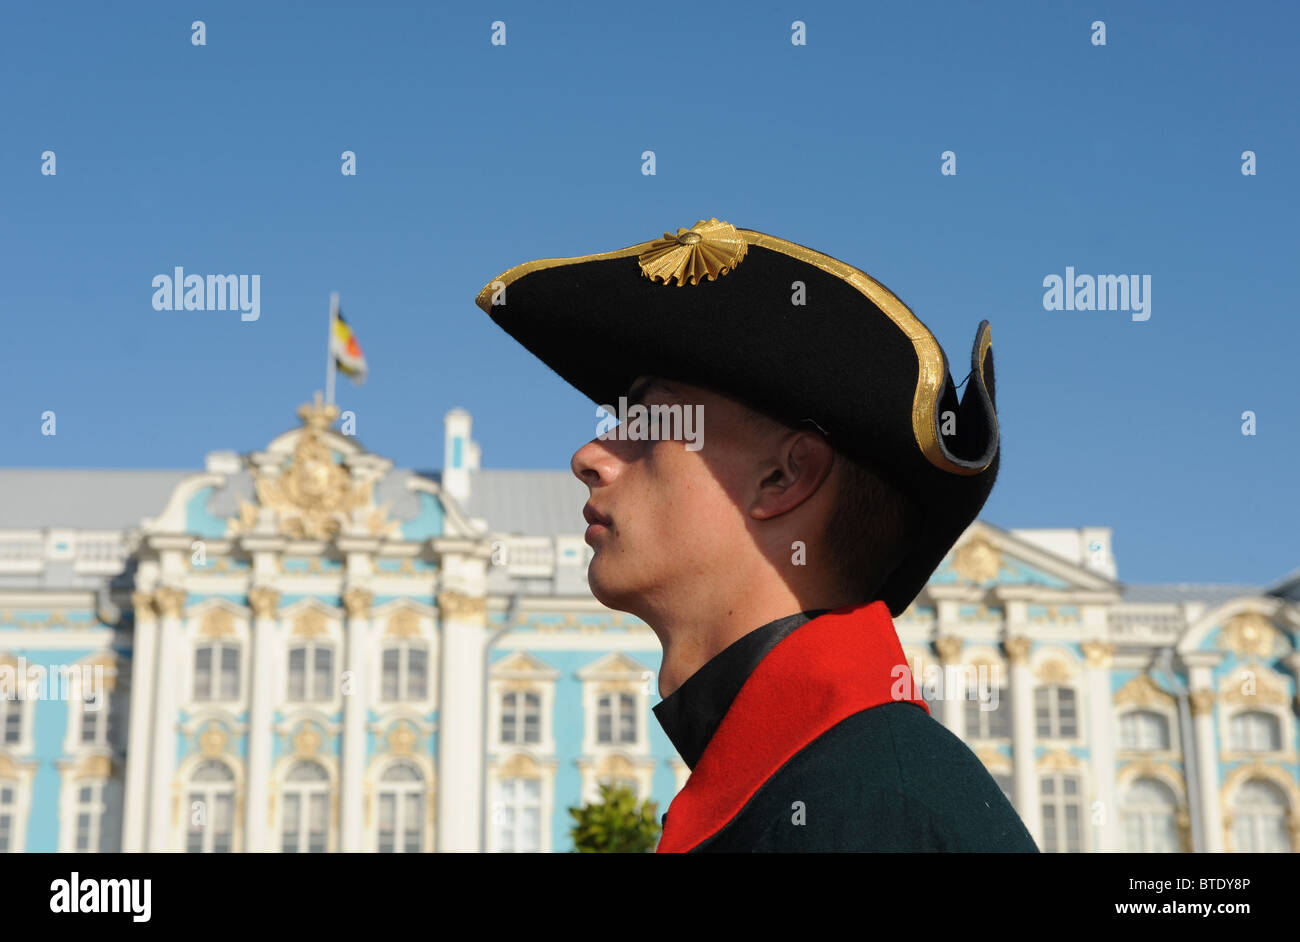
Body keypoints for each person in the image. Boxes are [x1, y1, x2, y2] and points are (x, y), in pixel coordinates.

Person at [475, 217, 1038, 852]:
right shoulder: (823, 786)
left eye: (651, 420)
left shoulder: (863, 809)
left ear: (782, 477)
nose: (589, 456)